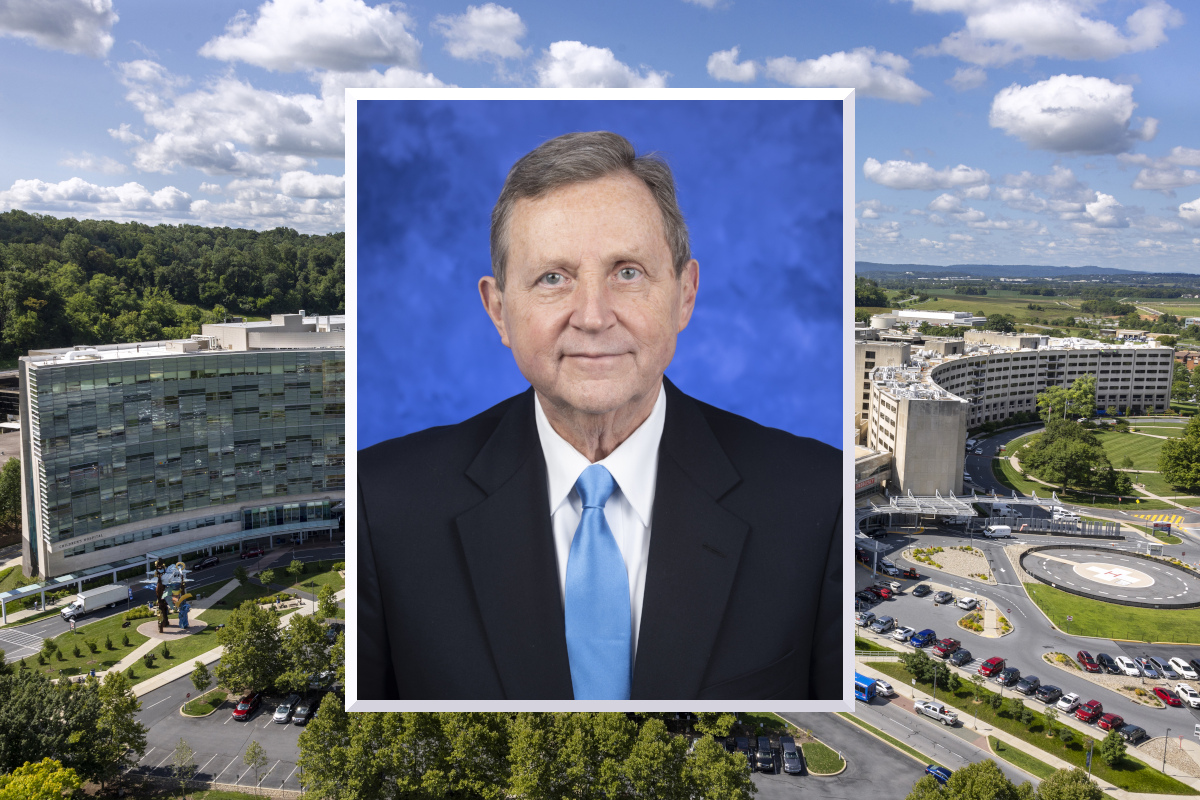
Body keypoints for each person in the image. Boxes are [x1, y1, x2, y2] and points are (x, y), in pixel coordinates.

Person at [358, 131, 842, 701]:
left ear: (684, 294)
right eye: (553, 278)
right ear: (498, 310)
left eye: (628, 271)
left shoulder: (816, 498)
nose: (592, 316)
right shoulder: (383, 503)